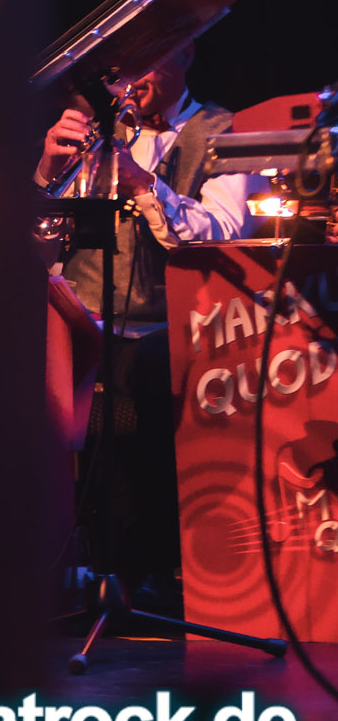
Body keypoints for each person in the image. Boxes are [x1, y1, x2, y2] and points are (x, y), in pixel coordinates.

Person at [34, 39, 252, 606]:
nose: (133, 77)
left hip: (174, 321)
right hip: (88, 315)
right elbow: (34, 252)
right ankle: (50, 564)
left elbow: (222, 234)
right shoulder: (93, 130)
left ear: (188, 53)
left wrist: (142, 184)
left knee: (147, 371)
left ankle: (146, 568)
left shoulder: (224, 131)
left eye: (149, 58)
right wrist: (46, 176)